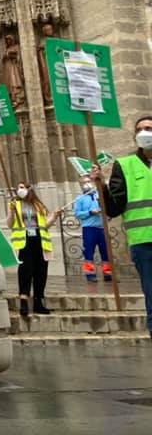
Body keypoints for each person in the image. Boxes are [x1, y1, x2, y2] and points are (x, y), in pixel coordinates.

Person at [94, 115, 152, 341]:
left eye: (149, 128)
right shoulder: (124, 165)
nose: (144, 132)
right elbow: (114, 208)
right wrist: (102, 186)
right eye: (140, 129)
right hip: (144, 245)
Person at [7, 181, 61, 316]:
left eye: (22, 187)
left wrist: (54, 216)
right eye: (18, 187)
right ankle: (24, 300)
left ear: (29, 189)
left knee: (41, 270)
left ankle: (38, 301)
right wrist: (12, 212)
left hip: (40, 240)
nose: (19, 190)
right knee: (26, 269)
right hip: (25, 240)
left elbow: (45, 225)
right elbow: (10, 224)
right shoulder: (14, 204)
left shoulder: (38, 205)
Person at [73, 176, 110, 282]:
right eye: (84, 182)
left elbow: (107, 209)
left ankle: (108, 274)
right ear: (80, 185)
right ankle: (90, 274)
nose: (87, 184)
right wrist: (89, 212)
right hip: (89, 228)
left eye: (89, 181)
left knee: (105, 251)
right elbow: (77, 214)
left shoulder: (99, 195)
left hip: (102, 227)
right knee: (89, 252)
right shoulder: (80, 199)